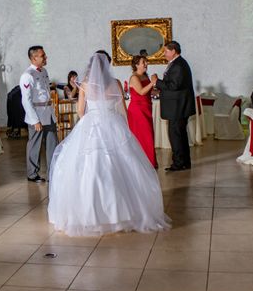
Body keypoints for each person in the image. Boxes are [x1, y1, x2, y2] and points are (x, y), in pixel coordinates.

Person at [48, 52, 171, 236]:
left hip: (91, 126)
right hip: (114, 124)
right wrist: (121, 127)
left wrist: (92, 119)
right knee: (122, 165)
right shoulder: (116, 83)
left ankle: (90, 214)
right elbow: (122, 110)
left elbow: (81, 111)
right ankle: (122, 212)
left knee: (89, 167)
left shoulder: (86, 85)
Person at [151, 41, 195, 171]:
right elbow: (173, 85)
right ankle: (184, 162)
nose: (164, 54)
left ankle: (178, 163)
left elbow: (173, 85)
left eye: (166, 51)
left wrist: (156, 81)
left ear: (174, 51)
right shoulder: (177, 63)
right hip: (178, 106)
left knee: (176, 136)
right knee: (180, 135)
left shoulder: (178, 65)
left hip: (178, 108)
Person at [20, 46, 58, 183]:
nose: (45, 57)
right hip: (36, 115)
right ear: (34, 58)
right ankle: (32, 174)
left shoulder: (44, 71)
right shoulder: (27, 75)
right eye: (43, 55)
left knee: (52, 143)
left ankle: (52, 172)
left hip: (48, 113)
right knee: (34, 145)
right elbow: (26, 100)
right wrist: (34, 120)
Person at [127, 55, 157, 168]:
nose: (146, 64)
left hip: (147, 108)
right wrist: (153, 82)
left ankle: (150, 161)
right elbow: (141, 92)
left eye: (146, 62)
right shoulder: (134, 77)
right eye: (143, 62)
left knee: (149, 135)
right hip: (137, 110)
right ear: (136, 65)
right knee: (143, 136)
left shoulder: (145, 76)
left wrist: (160, 89)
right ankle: (143, 163)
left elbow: (150, 92)